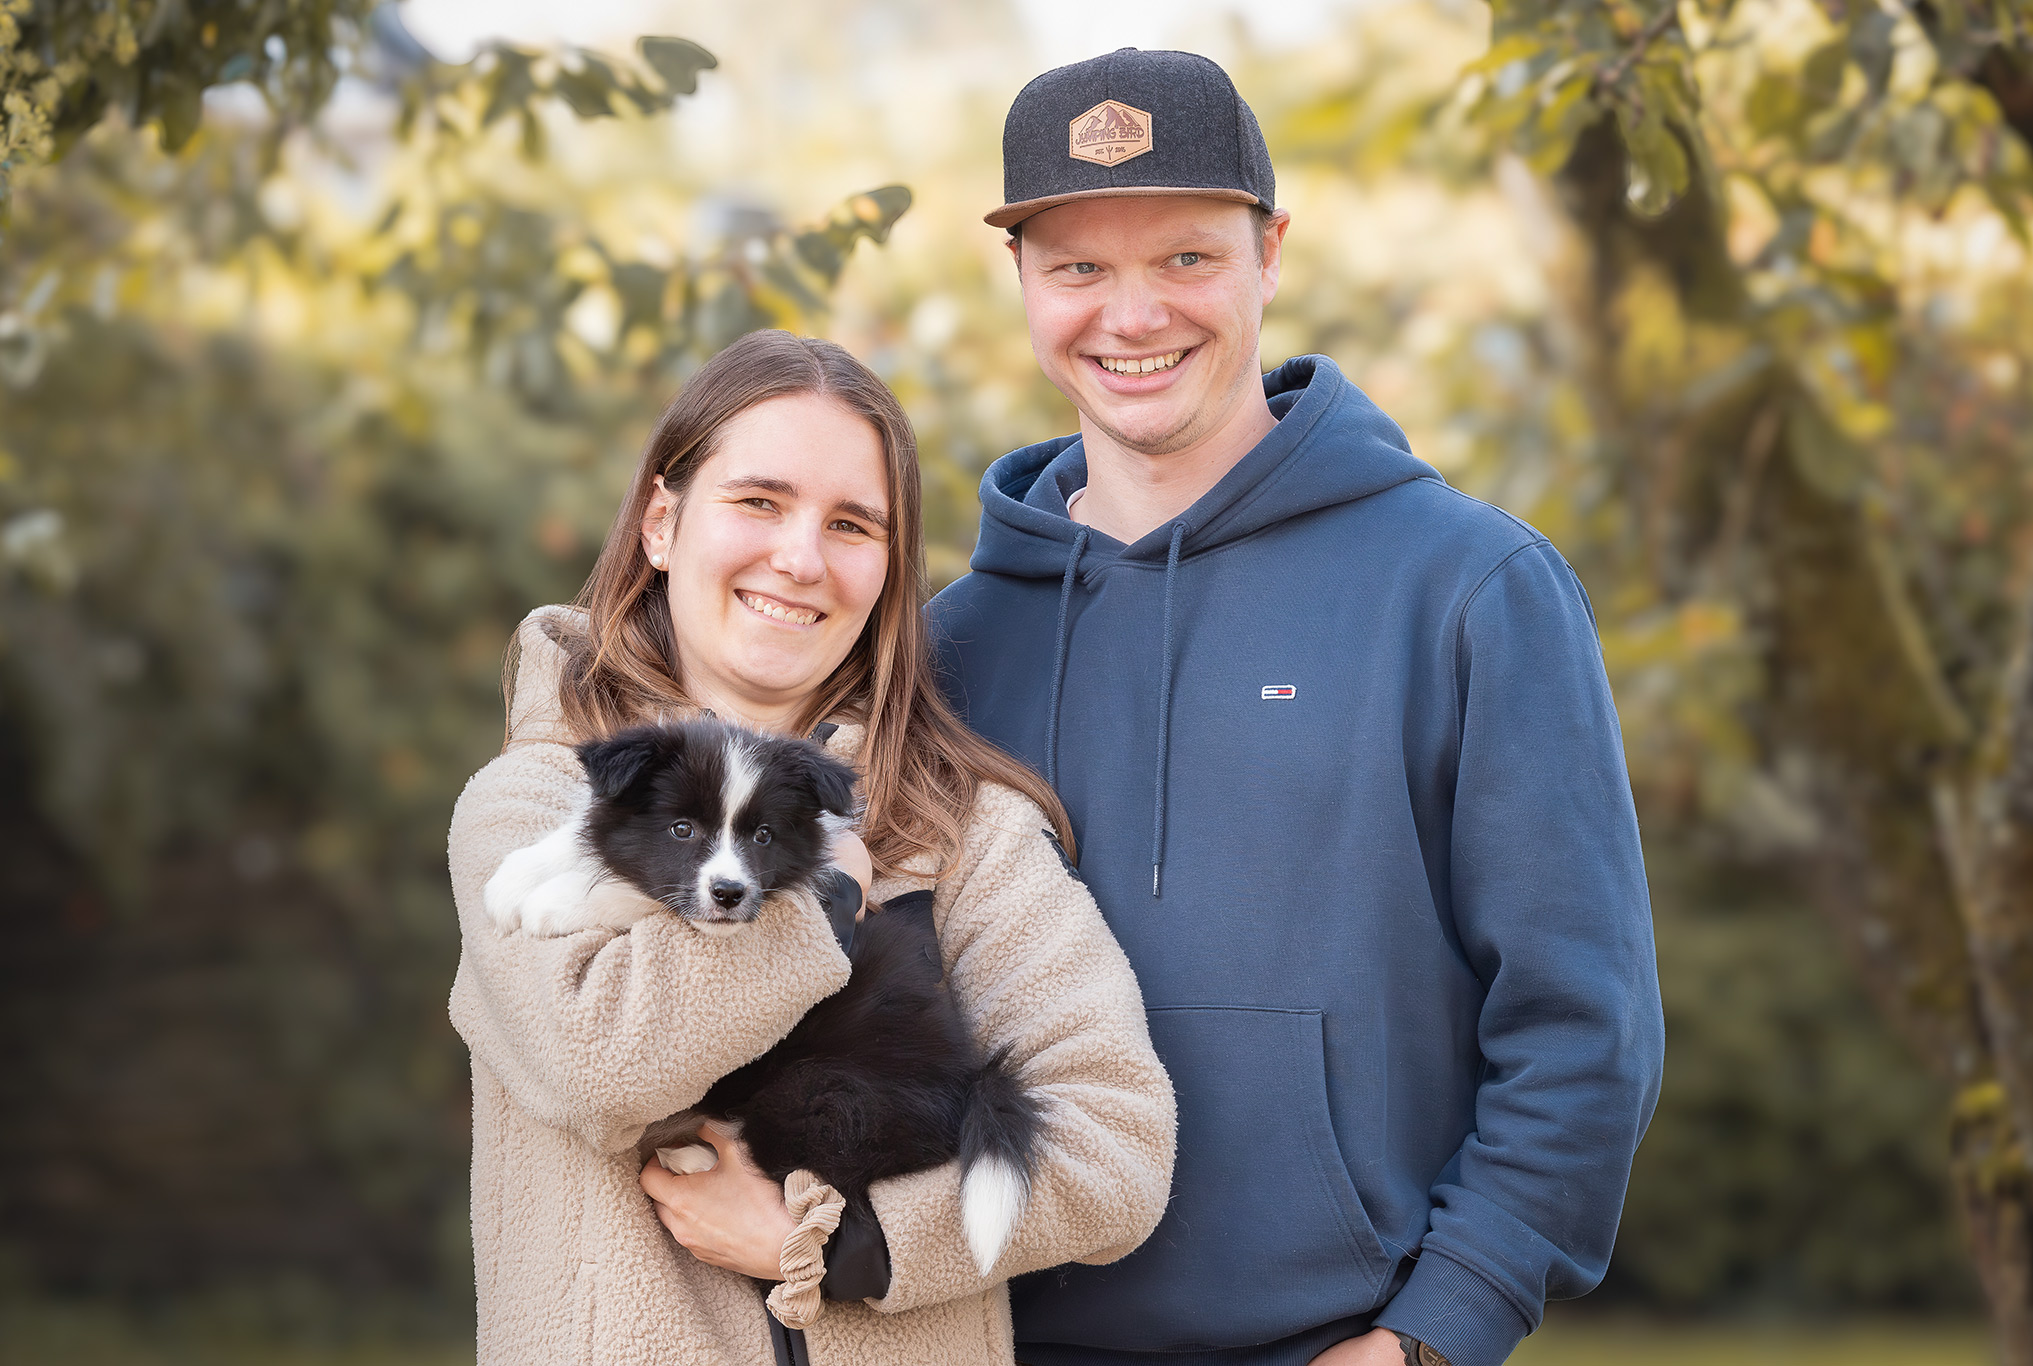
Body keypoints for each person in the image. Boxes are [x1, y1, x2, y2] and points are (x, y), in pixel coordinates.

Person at [927, 49, 1664, 1366]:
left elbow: (1580, 1025)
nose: (1131, 312)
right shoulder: (947, 643)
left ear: (1270, 253)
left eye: (1186, 258)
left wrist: (1437, 1328)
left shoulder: (1468, 586)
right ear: (1024, 284)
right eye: (1078, 267)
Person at [446, 330, 1175, 1365]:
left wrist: (845, 1245)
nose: (799, 557)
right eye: (757, 500)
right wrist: (819, 902)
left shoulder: (959, 831)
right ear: (662, 520)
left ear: (886, 569)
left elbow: (1117, 1148)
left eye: (851, 524)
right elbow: (602, 1065)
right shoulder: (535, 800)